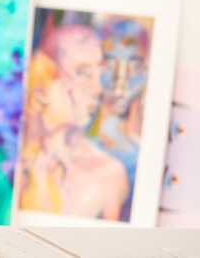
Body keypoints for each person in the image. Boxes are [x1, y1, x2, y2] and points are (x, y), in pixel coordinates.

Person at [18, 22, 129, 220]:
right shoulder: (8, 155)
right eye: (83, 73)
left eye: (100, 74)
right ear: (44, 80)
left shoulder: (108, 173)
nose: (98, 89)